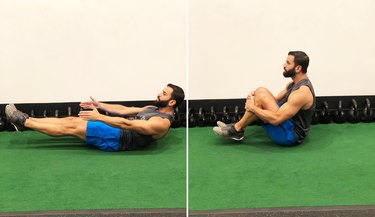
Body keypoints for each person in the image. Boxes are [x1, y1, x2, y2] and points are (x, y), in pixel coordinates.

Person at [5, 83, 185, 152]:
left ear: (172, 103)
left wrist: (99, 118)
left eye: (164, 93)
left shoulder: (161, 123)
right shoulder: (152, 108)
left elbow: (126, 124)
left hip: (117, 138)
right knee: (71, 120)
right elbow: (125, 110)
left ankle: (23, 121)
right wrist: (100, 106)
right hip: (116, 129)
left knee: (71, 128)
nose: (159, 94)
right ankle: (25, 121)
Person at [213, 51, 316, 146]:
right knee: (260, 91)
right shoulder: (292, 84)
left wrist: (252, 107)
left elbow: (276, 119)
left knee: (260, 98)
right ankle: (237, 128)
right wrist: (254, 98)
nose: (284, 65)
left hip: (290, 135)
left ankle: (236, 129)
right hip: (286, 122)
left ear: (298, 68)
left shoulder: (302, 92)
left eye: (288, 63)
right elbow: (275, 101)